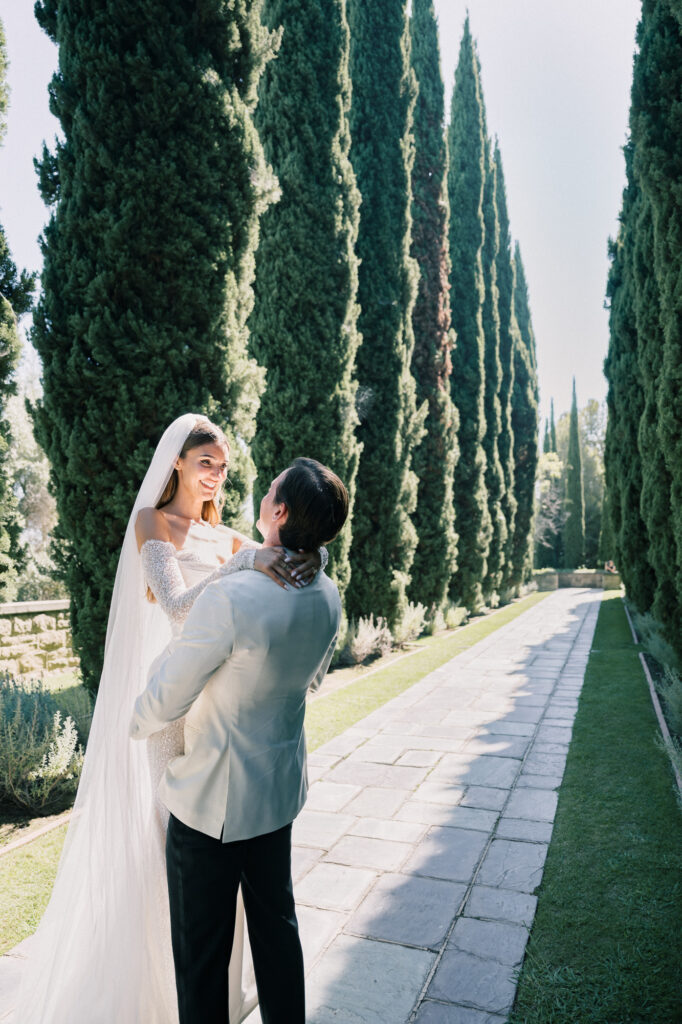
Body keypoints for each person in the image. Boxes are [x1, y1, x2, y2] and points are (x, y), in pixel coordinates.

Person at [14, 414, 322, 1024]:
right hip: (172, 706)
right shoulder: (153, 523)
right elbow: (180, 611)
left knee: (211, 863)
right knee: (174, 852)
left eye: (224, 468)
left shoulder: (229, 536)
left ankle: (211, 996)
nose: (215, 476)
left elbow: (283, 555)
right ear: (177, 462)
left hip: (221, 707)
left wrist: (311, 556)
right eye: (206, 463)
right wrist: (247, 565)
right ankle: (161, 991)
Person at [130, 457, 348, 1024]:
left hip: (212, 804)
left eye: (271, 487)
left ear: (277, 510)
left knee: (202, 957)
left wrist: (134, 722)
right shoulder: (329, 596)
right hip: (276, 796)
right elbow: (316, 678)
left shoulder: (231, 599)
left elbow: (170, 695)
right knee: (278, 932)